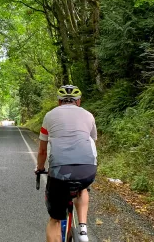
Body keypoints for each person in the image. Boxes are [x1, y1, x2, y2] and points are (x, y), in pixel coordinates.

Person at [35, 85, 98, 242]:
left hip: (59, 172)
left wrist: (40, 168)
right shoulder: (89, 115)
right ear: (78, 101)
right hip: (88, 169)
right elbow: (91, 141)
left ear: (59, 101)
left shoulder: (49, 116)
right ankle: (83, 230)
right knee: (83, 188)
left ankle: (61, 225)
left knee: (55, 220)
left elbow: (42, 151)